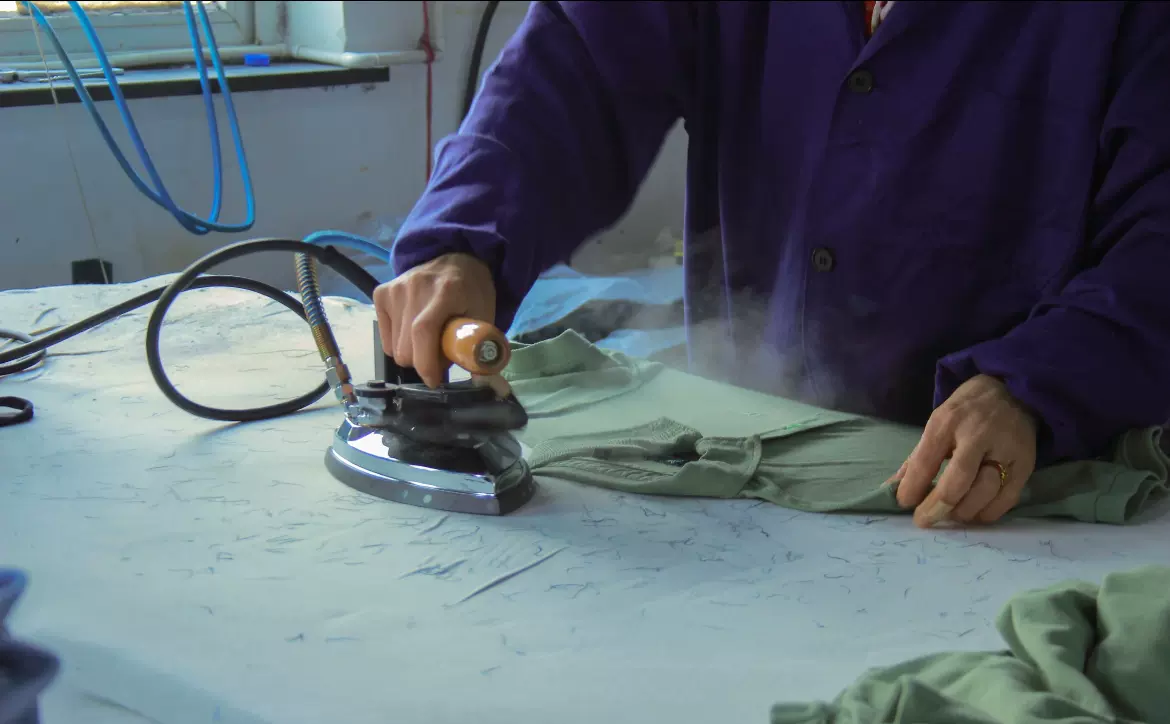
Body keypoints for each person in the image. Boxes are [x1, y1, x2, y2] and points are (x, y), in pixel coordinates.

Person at [372, 1, 1170, 529]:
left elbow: (1158, 240)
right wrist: (463, 239)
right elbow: (571, 72)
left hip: (1007, 493)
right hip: (747, 455)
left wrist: (1035, 383)